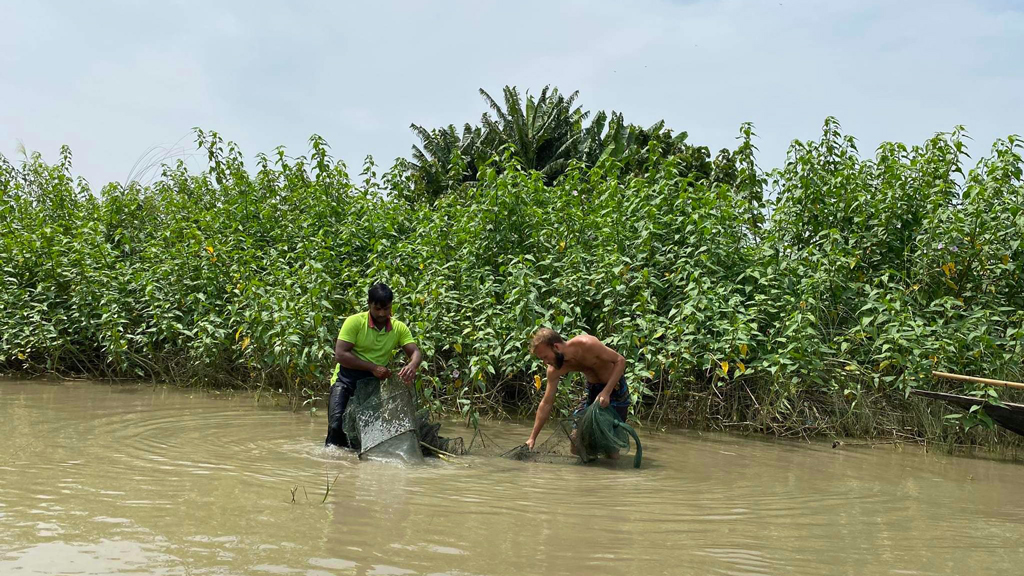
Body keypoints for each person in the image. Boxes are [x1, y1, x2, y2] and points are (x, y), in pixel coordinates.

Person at [325, 283, 422, 448]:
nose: (382, 313)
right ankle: (334, 465)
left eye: (387, 309)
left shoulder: (398, 328)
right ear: (369, 304)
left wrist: (412, 365)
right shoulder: (354, 322)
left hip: (372, 385)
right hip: (345, 380)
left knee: (365, 433)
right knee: (336, 427)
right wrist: (372, 367)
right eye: (377, 309)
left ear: (392, 306)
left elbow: (415, 352)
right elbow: (340, 355)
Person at [525, 328, 630, 452]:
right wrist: (532, 438)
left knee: (610, 448)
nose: (545, 362)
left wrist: (607, 392)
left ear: (556, 347)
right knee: (576, 443)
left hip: (614, 388)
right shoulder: (554, 370)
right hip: (592, 391)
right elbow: (546, 403)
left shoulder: (587, 344)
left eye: (545, 357)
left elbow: (620, 361)